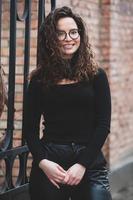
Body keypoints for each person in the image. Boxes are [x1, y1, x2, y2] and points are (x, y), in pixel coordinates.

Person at [24, 6, 112, 200]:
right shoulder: (39, 79)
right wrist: (43, 162)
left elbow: (103, 124)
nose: (69, 38)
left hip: (88, 163)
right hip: (51, 162)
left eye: (73, 32)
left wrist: (82, 165)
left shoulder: (96, 75)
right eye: (61, 34)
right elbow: (29, 130)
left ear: (80, 34)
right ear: (51, 39)